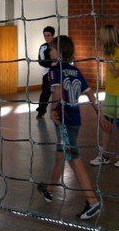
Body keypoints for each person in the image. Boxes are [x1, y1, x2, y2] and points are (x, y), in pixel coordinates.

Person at [36, 35, 111, 220]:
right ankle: (50, 190)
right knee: (61, 154)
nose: (49, 51)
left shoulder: (55, 70)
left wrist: (53, 109)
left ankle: (92, 202)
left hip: (64, 121)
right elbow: (90, 94)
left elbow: (56, 92)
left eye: (52, 49)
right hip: (75, 120)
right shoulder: (75, 70)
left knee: (73, 158)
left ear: (60, 53)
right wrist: (100, 115)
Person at [90, 24, 119, 168]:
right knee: (107, 122)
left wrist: (107, 59)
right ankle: (104, 155)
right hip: (111, 91)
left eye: (101, 35)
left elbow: (115, 73)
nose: (99, 37)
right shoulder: (108, 51)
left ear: (108, 36)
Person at [36, 26, 55, 119]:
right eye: (45, 35)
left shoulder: (59, 45)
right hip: (47, 73)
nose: (46, 37)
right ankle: (41, 112)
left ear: (53, 35)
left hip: (59, 72)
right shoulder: (43, 47)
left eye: (48, 35)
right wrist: (52, 64)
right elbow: (41, 61)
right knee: (45, 93)